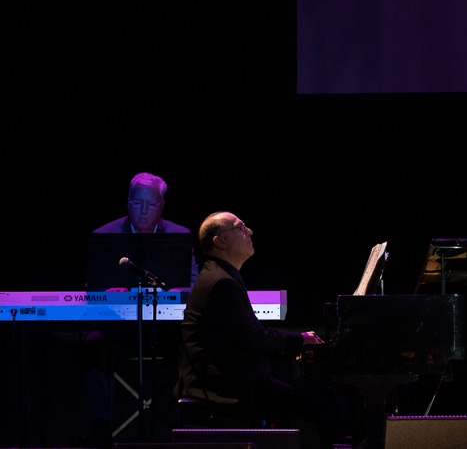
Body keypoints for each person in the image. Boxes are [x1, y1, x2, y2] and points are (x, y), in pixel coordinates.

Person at [177, 212, 340, 449]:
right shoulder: (220, 282)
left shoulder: (221, 275)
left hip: (230, 378)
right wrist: (301, 341)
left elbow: (248, 334)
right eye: (240, 227)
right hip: (221, 387)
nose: (249, 231)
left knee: (304, 400)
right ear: (220, 241)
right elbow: (253, 338)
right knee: (308, 404)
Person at [82, 172, 198, 447]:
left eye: (151, 205)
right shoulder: (104, 236)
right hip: (120, 333)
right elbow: (90, 291)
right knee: (94, 343)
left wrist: (177, 292)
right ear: (128, 201)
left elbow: (194, 285)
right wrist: (106, 296)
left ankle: (188, 422)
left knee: (195, 342)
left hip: (166, 331)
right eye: (137, 203)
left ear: (162, 206)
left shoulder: (179, 236)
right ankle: (101, 428)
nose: (144, 211)